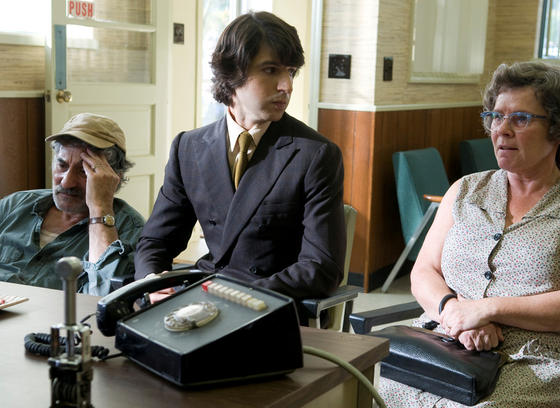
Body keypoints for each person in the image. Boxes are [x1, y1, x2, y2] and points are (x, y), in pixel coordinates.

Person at [380, 61, 560, 407]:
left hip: (538, 360)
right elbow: (424, 271)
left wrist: (486, 309)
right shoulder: (464, 190)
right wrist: (455, 314)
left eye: (520, 118)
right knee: (376, 391)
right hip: (445, 343)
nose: (501, 129)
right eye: (495, 116)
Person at [134, 12, 345, 311]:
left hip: (268, 308)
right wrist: (153, 281)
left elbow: (322, 266)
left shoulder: (315, 155)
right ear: (232, 74)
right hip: (200, 299)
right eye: (271, 70)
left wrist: (232, 296)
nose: (287, 85)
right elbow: (155, 241)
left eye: (291, 71)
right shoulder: (189, 147)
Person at [0, 113, 145, 295]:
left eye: (85, 171)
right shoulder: (16, 204)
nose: (66, 182)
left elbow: (102, 297)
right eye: (62, 165)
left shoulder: (131, 229)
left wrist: (99, 209)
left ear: (114, 178)